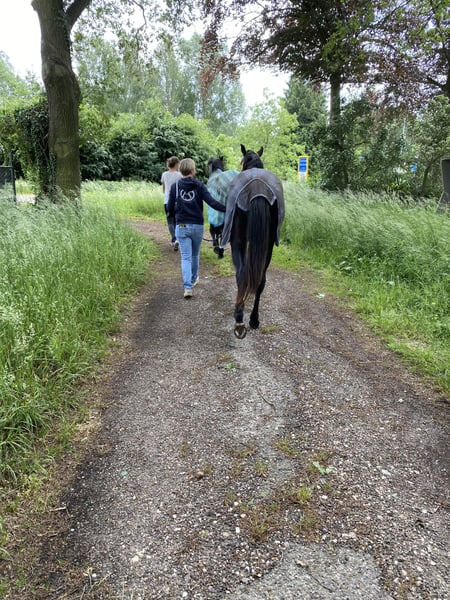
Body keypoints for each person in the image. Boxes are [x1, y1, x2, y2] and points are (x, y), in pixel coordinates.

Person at [167, 158, 226, 298]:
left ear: (181, 170)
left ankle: (187, 288)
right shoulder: (199, 185)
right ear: (193, 170)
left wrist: (177, 212)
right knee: (194, 255)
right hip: (197, 226)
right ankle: (193, 279)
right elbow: (212, 202)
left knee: (186, 257)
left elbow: (169, 208)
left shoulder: (175, 187)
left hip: (181, 226)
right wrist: (228, 208)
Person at [161, 156, 182, 250]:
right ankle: (177, 239)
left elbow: (163, 188)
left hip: (167, 200)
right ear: (176, 164)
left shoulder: (164, 174)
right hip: (177, 201)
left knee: (170, 220)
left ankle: (174, 239)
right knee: (177, 221)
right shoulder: (179, 175)